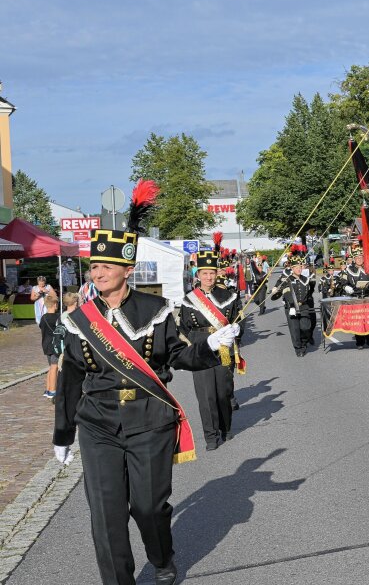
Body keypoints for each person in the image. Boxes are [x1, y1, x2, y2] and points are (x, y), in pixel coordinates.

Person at [52, 180, 231, 585]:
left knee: (148, 508)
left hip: (150, 422)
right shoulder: (80, 320)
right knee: (106, 515)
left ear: (127, 270)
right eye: (94, 267)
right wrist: (63, 434)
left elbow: (179, 357)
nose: (98, 273)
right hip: (97, 424)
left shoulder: (156, 310)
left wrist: (209, 345)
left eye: (107, 267)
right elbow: (70, 380)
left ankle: (163, 557)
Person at [178, 245, 243, 450]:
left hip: (223, 349)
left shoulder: (229, 296)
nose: (208, 277)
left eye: (212, 273)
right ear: (198, 275)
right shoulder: (189, 300)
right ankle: (211, 436)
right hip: (200, 349)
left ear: (217, 274)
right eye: (205, 273)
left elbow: (237, 321)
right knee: (205, 395)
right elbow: (183, 328)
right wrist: (195, 345)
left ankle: (225, 427)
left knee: (223, 391)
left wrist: (236, 330)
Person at [270, 246, 316, 357]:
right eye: (297, 267)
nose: (299, 269)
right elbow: (285, 292)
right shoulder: (287, 279)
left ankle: (304, 342)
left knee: (306, 327)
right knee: (295, 329)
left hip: (304, 306)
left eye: (301, 267)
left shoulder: (306, 280)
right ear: (292, 268)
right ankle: (298, 349)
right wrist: (275, 289)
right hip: (291, 307)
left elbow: (311, 290)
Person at [39, 294, 61, 399]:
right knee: (54, 367)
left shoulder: (43, 318)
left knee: (51, 368)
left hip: (46, 345)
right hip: (54, 345)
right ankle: (53, 390)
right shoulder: (57, 317)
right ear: (55, 304)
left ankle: (48, 389)